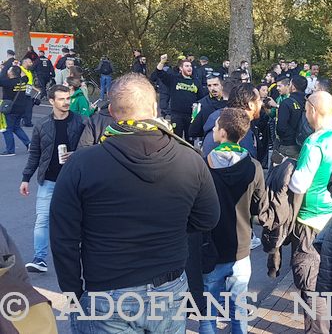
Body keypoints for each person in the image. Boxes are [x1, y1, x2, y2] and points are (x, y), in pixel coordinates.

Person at [50, 73, 220, 333]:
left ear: (111, 112)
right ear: (154, 108)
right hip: (169, 288)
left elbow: (64, 237)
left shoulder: (82, 164)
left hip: (107, 290)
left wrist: (73, 291)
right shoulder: (190, 158)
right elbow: (207, 218)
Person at [288, 91, 332, 334]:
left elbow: (299, 184)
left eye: (306, 110)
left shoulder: (314, 142)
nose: (305, 114)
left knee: (310, 284)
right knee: (330, 282)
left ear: (314, 111)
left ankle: (317, 330)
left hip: (309, 221)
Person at [200, 108, 266, 334]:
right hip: (241, 247)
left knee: (208, 312)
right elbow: (258, 206)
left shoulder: (204, 165)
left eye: (216, 126)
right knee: (238, 310)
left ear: (223, 133)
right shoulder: (254, 166)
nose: (214, 130)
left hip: (212, 248)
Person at [19, 85, 85, 273]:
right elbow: (35, 153)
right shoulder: (42, 124)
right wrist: (26, 178)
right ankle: (39, 259)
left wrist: (76, 154)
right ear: (51, 101)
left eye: (68, 98)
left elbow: (91, 147)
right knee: (42, 219)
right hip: (48, 180)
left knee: (76, 221)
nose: (66, 102)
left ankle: (79, 259)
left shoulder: (81, 121)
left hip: (73, 181)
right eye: (61, 99)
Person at [156, 55, 201, 139]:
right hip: (176, 115)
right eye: (187, 66)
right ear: (181, 68)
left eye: (190, 66)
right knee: (176, 139)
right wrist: (162, 62)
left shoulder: (196, 82)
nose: (189, 68)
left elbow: (201, 98)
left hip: (191, 116)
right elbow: (159, 72)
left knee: (190, 140)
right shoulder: (174, 79)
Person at [0, 65, 32, 156]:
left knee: (7, 129)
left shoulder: (7, 82)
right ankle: (28, 144)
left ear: (10, 73)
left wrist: (3, 68)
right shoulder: (23, 80)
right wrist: (19, 68)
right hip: (21, 108)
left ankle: (10, 150)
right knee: (16, 127)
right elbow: (25, 75)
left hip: (10, 109)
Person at [275, 75, 308, 159]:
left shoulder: (286, 103)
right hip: (305, 143)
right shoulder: (309, 102)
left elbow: (281, 127)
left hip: (288, 146)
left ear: (293, 87)